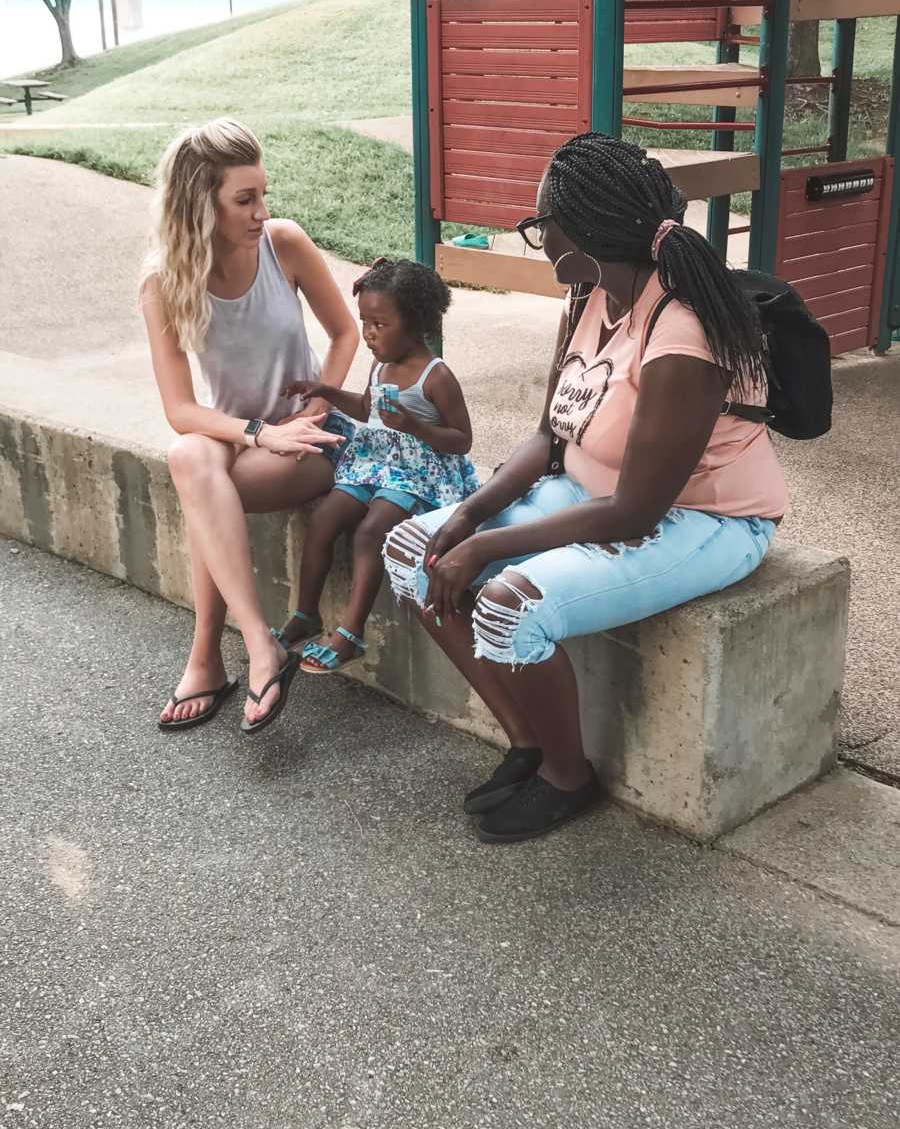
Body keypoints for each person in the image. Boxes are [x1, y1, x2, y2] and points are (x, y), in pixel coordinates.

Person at [383, 133, 787, 844]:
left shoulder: (683, 335)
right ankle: (527, 744)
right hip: (584, 491)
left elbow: (636, 510)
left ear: (585, 235)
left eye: (542, 227)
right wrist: (469, 515)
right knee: (413, 549)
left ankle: (569, 778)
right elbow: (549, 435)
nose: (538, 240)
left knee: (511, 608)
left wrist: (487, 549)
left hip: (702, 520)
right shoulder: (591, 292)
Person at [140, 117, 358, 734]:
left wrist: (315, 409)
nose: (262, 211)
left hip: (313, 440)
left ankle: (208, 655)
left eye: (263, 194)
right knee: (191, 458)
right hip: (244, 442)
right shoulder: (163, 285)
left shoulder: (284, 244)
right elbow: (181, 410)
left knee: (199, 479)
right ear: (199, 204)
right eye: (245, 199)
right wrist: (259, 433)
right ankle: (259, 647)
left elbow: (345, 334)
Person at [274, 258, 479, 673]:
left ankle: (350, 633)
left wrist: (415, 426)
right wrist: (327, 391)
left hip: (417, 472)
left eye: (380, 324)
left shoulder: (435, 376)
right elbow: (368, 409)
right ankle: (306, 614)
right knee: (326, 519)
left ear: (416, 322)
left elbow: (462, 440)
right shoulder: (380, 364)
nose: (368, 333)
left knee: (370, 532)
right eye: (364, 321)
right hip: (372, 462)